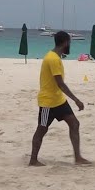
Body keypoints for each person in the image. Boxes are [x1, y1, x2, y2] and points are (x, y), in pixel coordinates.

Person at [29, 31, 90, 166]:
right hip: (48, 103)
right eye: (70, 43)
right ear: (65, 43)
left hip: (59, 100)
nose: (70, 45)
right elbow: (60, 84)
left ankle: (78, 158)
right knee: (42, 129)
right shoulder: (53, 59)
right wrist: (76, 100)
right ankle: (33, 160)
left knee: (74, 124)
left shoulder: (55, 57)